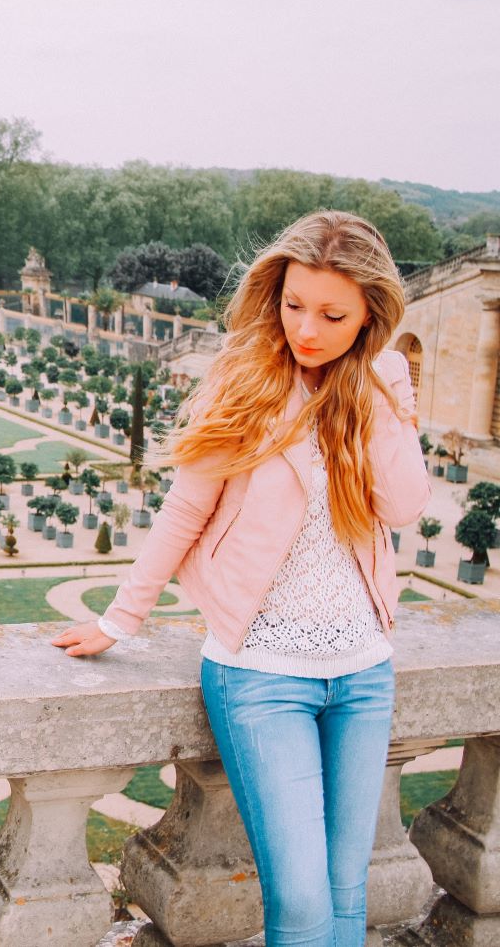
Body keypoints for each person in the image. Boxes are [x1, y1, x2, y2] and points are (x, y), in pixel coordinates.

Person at [53, 210, 430, 947]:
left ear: (370, 316)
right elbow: (185, 508)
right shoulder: (248, 375)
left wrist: (384, 390)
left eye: (332, 314)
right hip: (261, 673)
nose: (307, 330)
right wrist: (116, 622)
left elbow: (405, 505)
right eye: (294, 305)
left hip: (363, 671)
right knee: (300, 904)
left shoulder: (378, 383)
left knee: (350, 897)